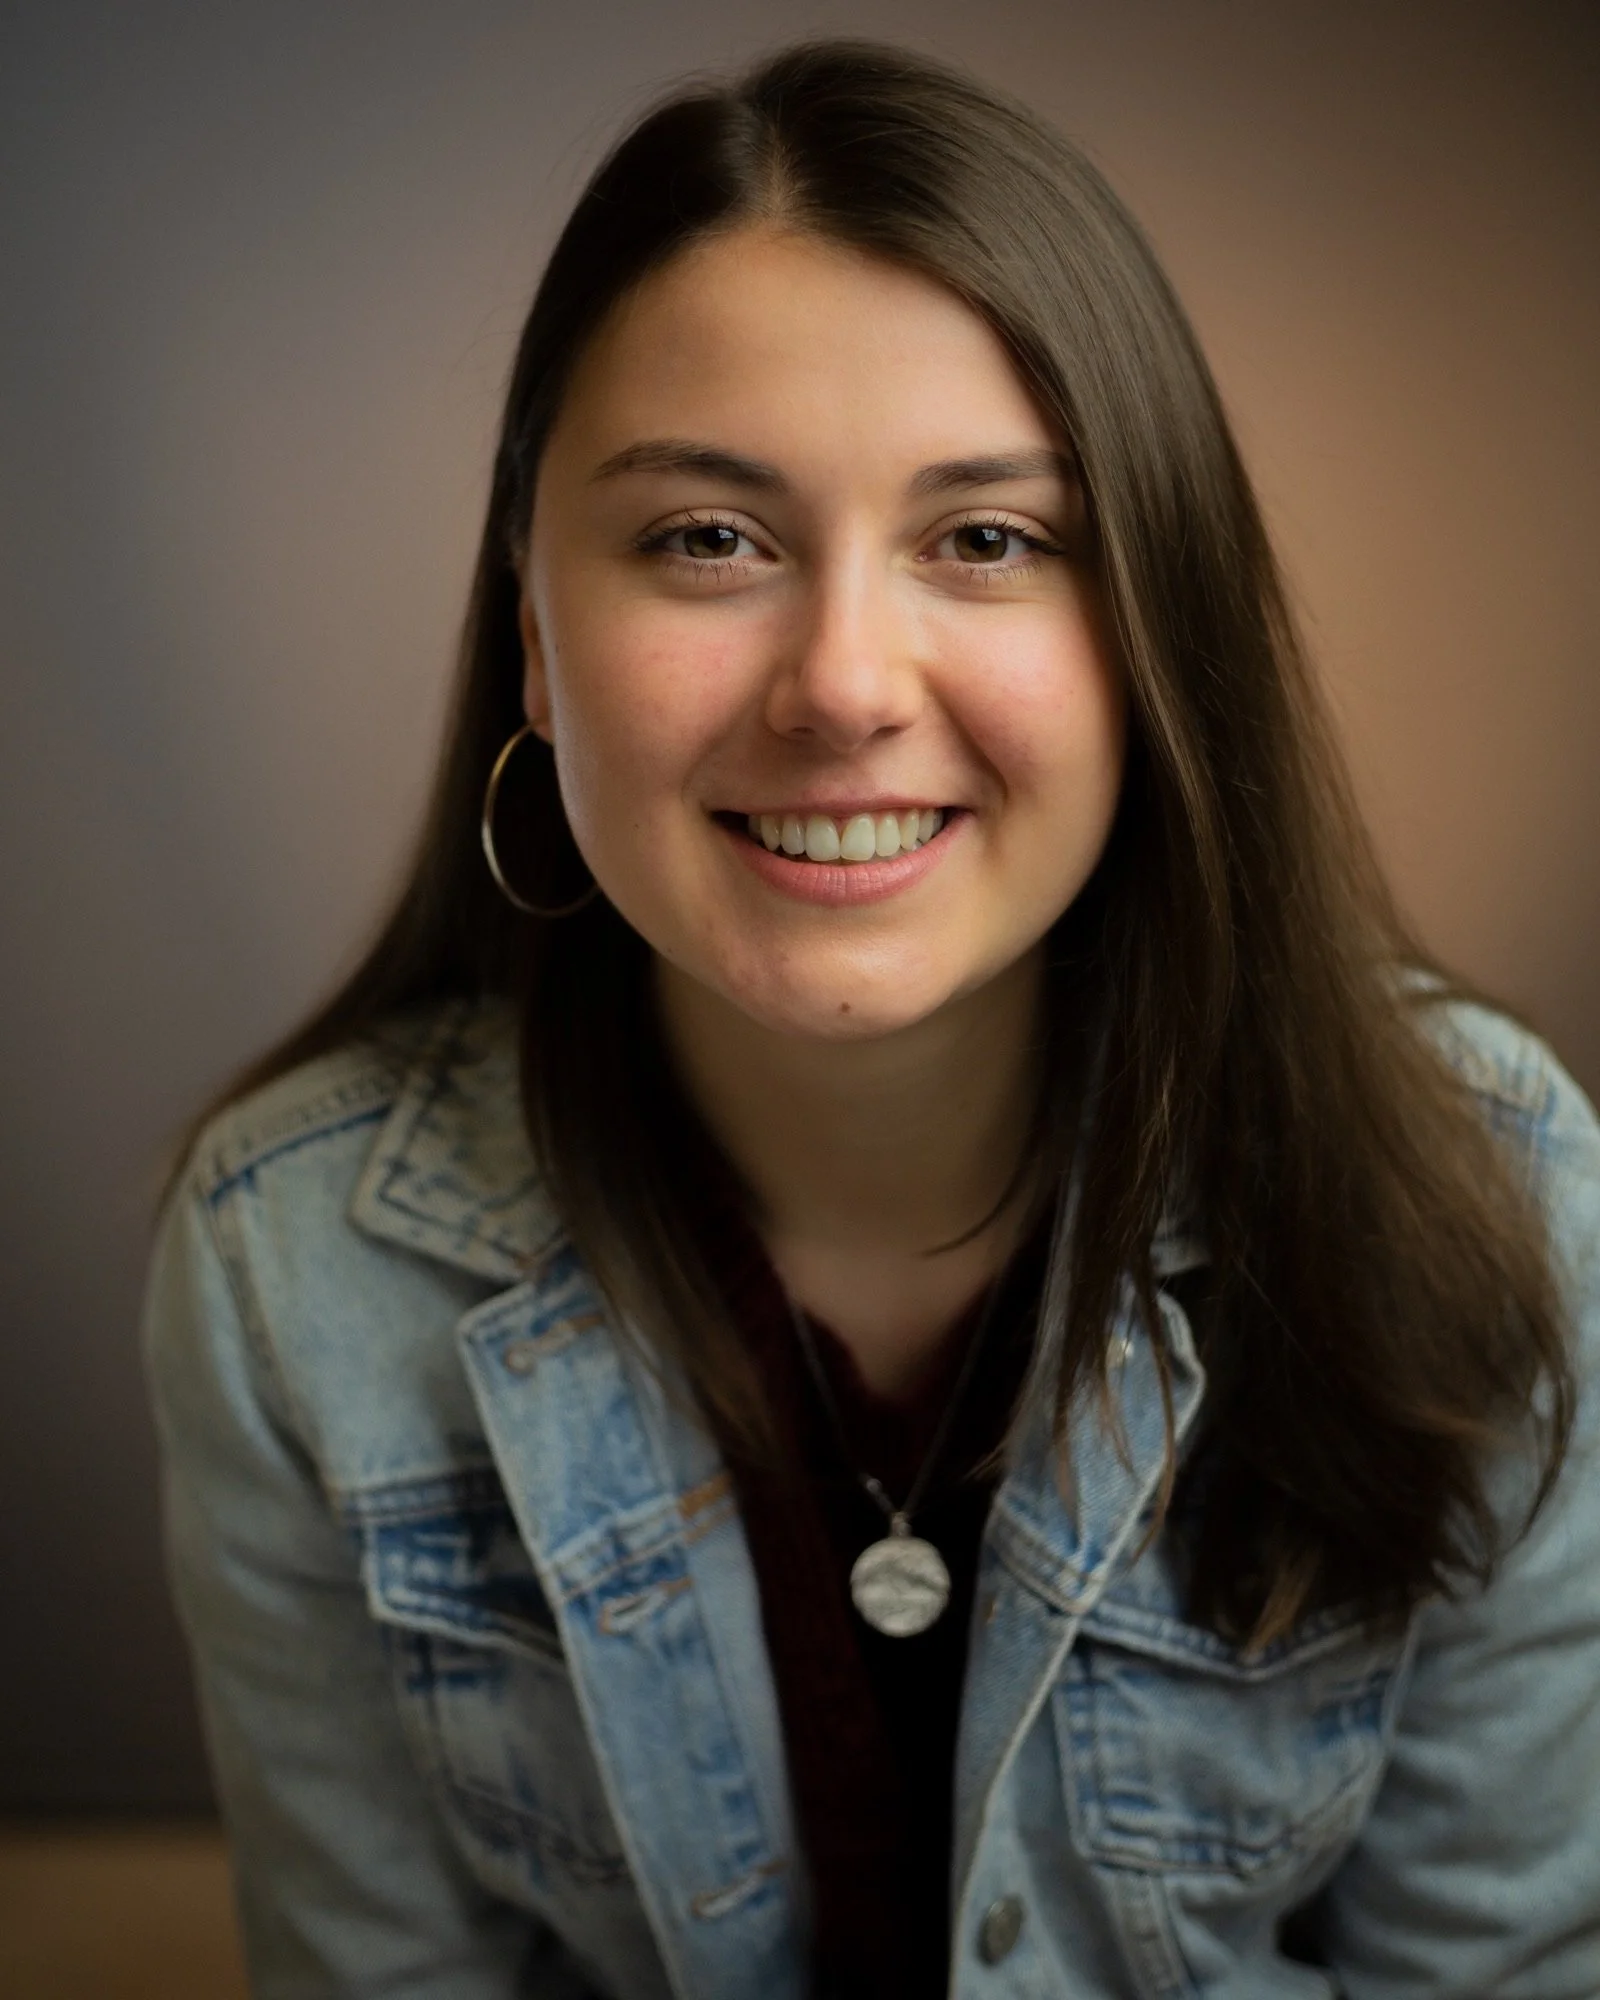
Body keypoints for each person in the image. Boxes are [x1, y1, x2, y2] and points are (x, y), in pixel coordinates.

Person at [142, 37, 1600, 2000]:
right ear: (536, 635)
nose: (842, 683)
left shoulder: (1493, 1194)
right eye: (706, 538)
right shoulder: (289, 1271)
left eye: (985, 538)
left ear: (1152, 622)